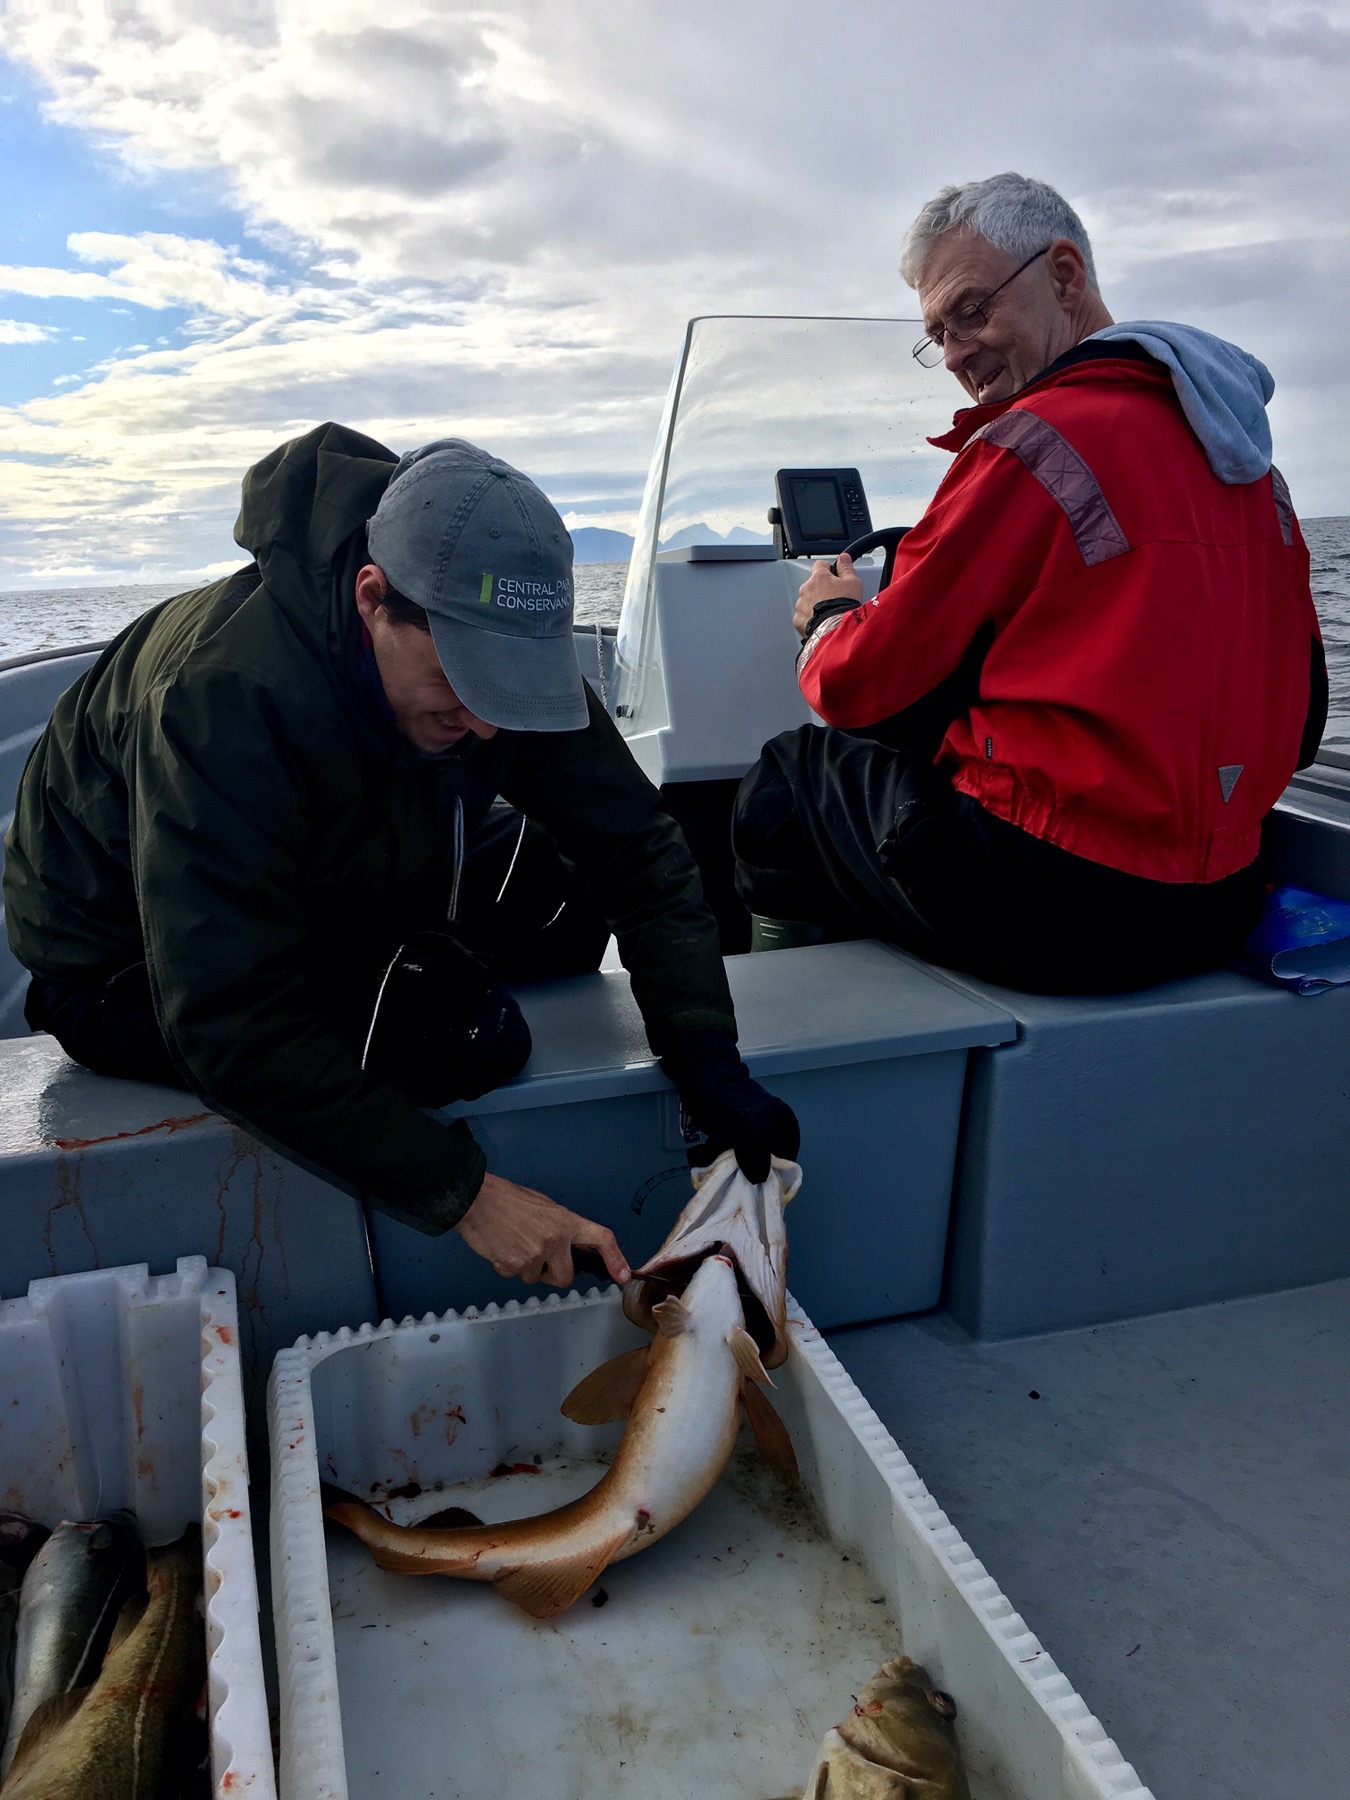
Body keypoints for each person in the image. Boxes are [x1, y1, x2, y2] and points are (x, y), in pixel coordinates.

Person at [4, 427, 798, 1286]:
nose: (486, 723)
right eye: (460, 679)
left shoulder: (486, 652)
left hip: (328, 872)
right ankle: (401, 992)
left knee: (564, 890)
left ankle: (399, 968)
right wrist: (465, 1195)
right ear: (372, 598)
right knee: (460, 1037)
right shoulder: (225, 696)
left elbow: (636, 848)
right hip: (127, 962)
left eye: (507, 684)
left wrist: (706, 1057)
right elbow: (226, 1020)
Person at [733, 172, 1326, 993]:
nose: (955, 354)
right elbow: (1306, 720)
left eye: (971, 311)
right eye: (937, 334)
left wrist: (830, 617)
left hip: (1050, 903)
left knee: (787, 779)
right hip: (1217, 898)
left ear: (1065, 276)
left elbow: (858, 689)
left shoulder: (1032, 446)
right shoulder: (1257, 474)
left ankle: (786, 1032)